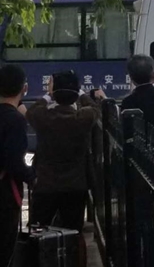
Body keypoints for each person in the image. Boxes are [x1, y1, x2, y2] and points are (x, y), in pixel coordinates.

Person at [26, 70, 103, 267]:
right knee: (73, 230)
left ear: (54, 93)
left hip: (46, 184)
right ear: (75, 93)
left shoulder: (43, 118)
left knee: (38, 229)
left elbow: (33, 110)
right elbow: (95, 108)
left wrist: (48, 94)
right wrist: (82, 93)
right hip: (76, 184)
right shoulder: (83, 118)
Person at [0, 65, 35, 267]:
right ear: (25, 88)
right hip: (4, 194)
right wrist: (32, 176)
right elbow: (15, 163)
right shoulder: (14, 120)